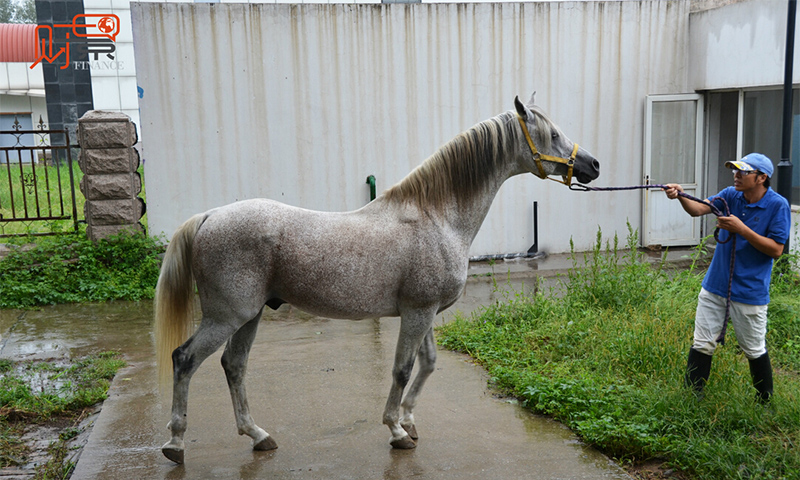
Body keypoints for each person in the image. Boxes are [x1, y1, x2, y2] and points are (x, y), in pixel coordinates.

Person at [663, 153, 791, 403]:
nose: (736, 175)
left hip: (749, 293)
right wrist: (679, 195)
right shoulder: (730, 195)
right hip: (715, 286)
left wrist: (741, 229)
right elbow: (698, 209)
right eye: (735, 170)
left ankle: (764, 402)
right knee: (702, 343)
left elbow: (776, 250)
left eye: (743, 171)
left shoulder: (778, 205)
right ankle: (693, 398)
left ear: (762, 178)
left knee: (753, 349)